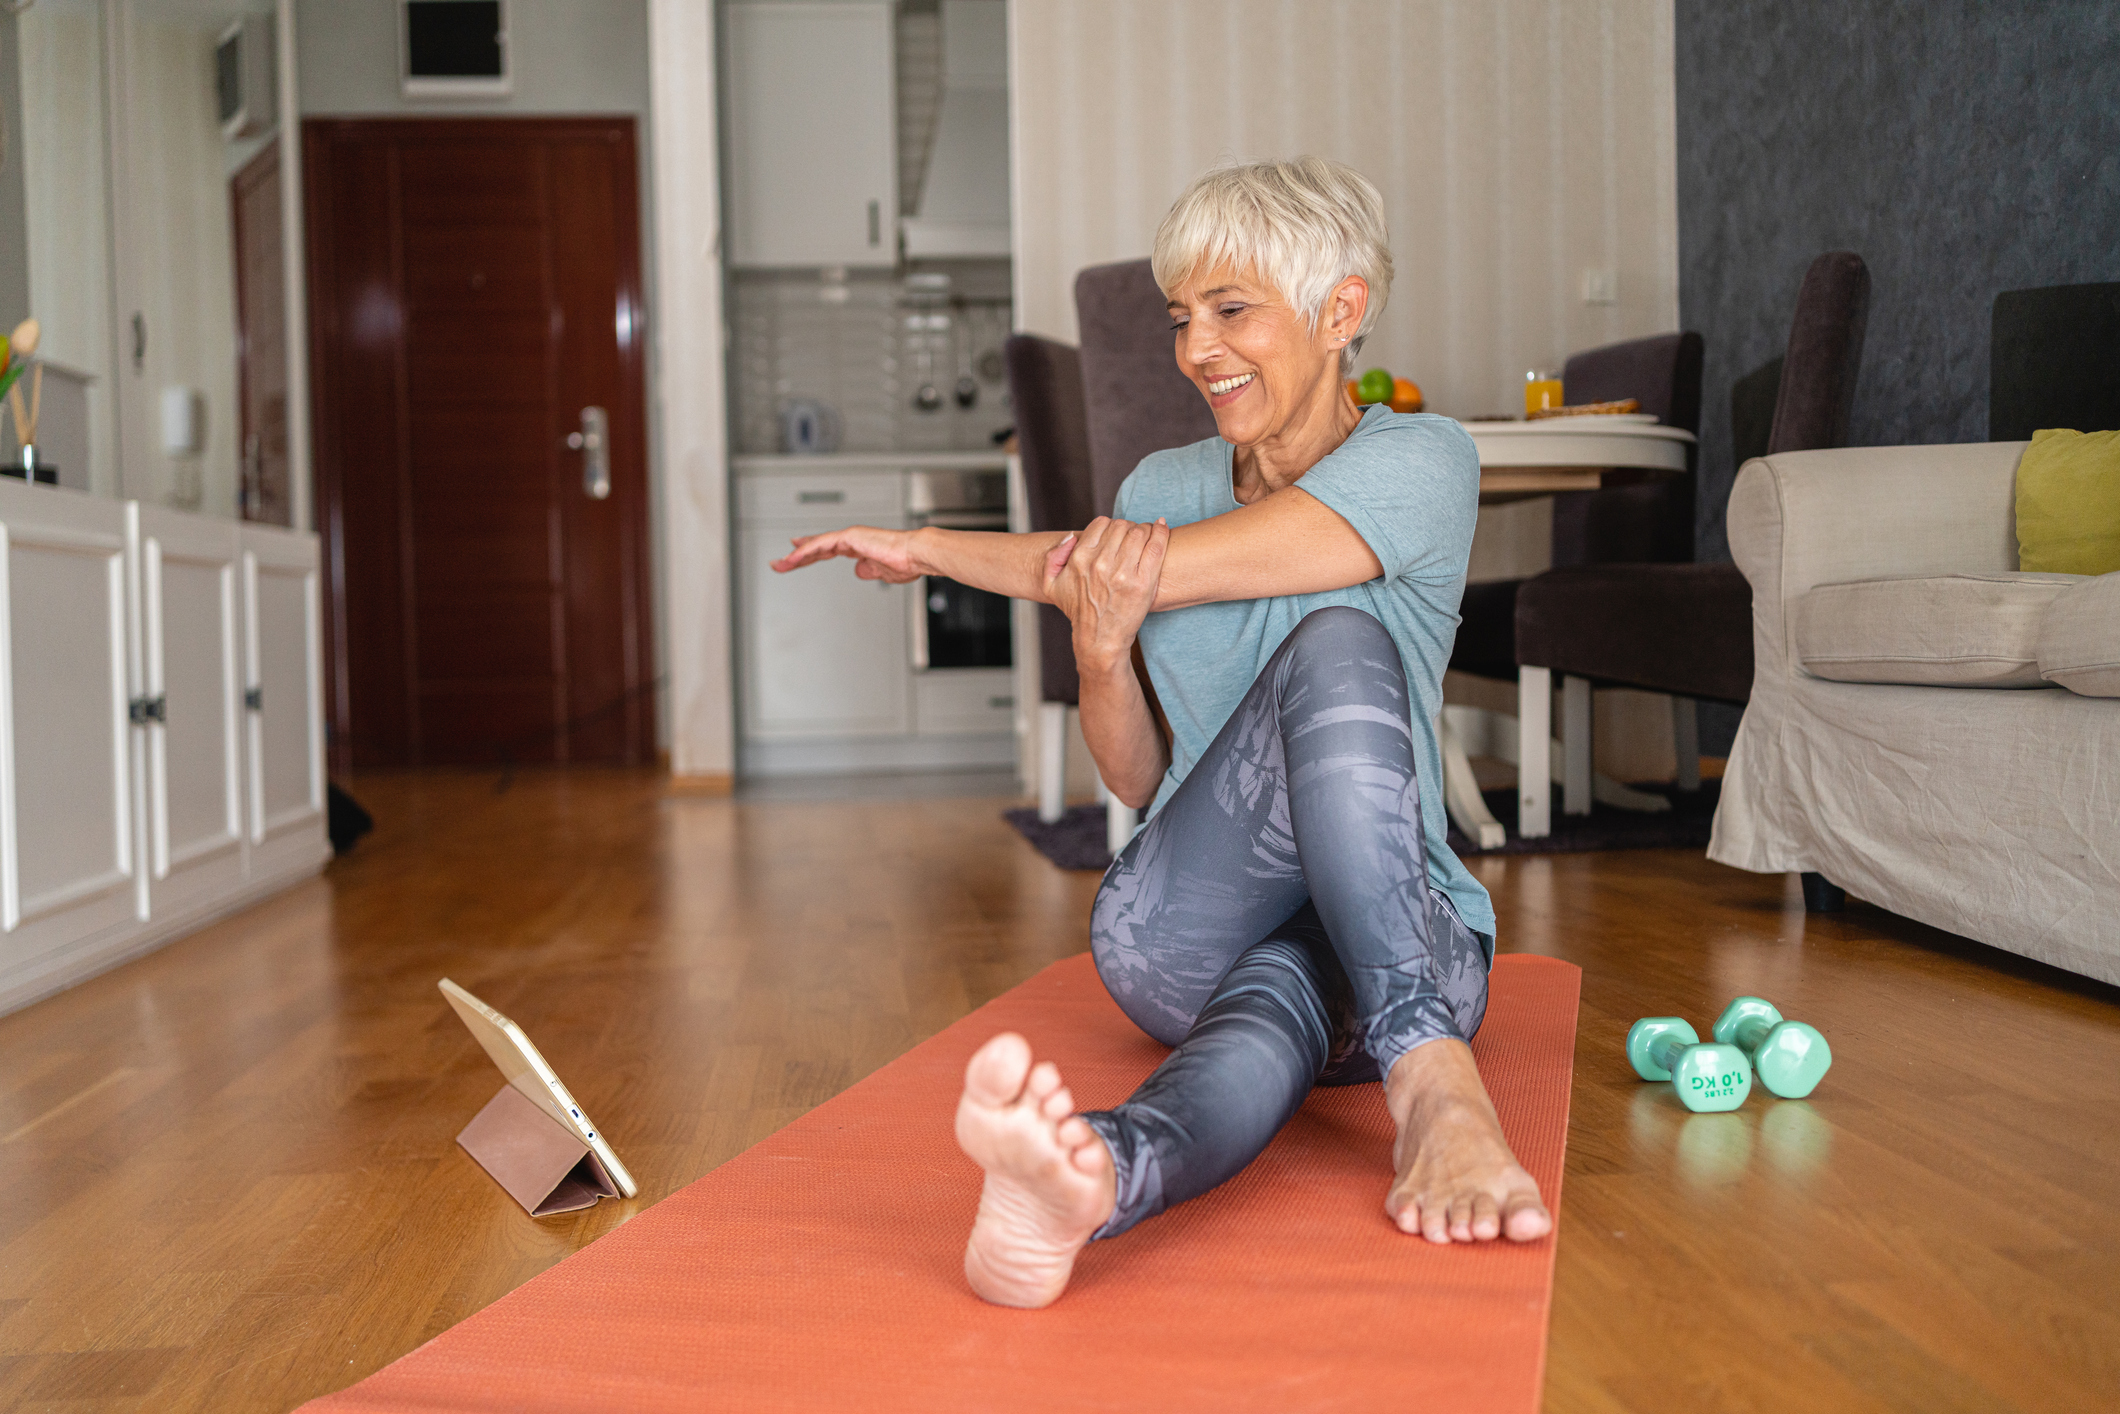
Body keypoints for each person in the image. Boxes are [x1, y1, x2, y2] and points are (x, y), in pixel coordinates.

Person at [772, 157, 1550, 1309]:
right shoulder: (1159, 486)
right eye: (1182, 316)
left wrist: (968, 552)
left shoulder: (1423, 460)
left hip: (1396, 936)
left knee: (1284, 972)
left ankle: (1097, 1177)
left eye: (1230, 310)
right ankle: (1433, 1089)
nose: (1195, 349)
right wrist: (1092, 645)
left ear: (1339, 311)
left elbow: (1118, 570)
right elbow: (1134, 772)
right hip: (1181, 923)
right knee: (1276, 877)